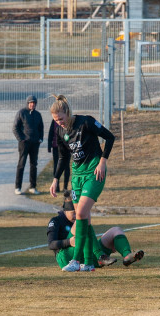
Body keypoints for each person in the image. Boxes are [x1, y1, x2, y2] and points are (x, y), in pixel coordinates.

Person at [49, 94, 115, 272]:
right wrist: (56, 179)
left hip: (94, 170)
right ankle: (89, 263)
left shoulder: (86, 122)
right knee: (84, 217)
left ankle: (76, 261)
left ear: (67, 112)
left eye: (61, 119)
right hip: (77, 175)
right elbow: (63, 157)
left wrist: (103, 161)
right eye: (56, 120)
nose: (59, 123)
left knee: (81, 214)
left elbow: (110, 137)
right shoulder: (59, 131)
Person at [47, 191, 144, 270]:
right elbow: (51, 244)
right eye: (73, 213)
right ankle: (100, 255)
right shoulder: (56, 221)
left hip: (86, 255)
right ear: (65, 211)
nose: (76, 215)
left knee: (116, 230)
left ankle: (127, 256)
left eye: (77, 212)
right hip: (66, 257)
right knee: (80, 222)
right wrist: (69, 242)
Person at [12, 95, 44, 195]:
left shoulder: (38, 114)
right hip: (24, 144)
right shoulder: (21, 113)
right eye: (31, 103)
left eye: (34, 103)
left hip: (35, 144)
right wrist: (21, 139)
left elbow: (41, 128)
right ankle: (18, 187)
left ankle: (33, 187)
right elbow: (15, 128)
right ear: (27, 103)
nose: (32, 104)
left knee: (34, 165)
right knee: (21, 165)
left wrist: (40, 139)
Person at [48, 119, 69, 193]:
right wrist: (49, 145)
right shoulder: (54, 121)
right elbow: (51, 132)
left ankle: (65, 187)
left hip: (66, 147)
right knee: (56, 166)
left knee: (66, 167)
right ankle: (56, 187)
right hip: (56, 147)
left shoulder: (67, 120)